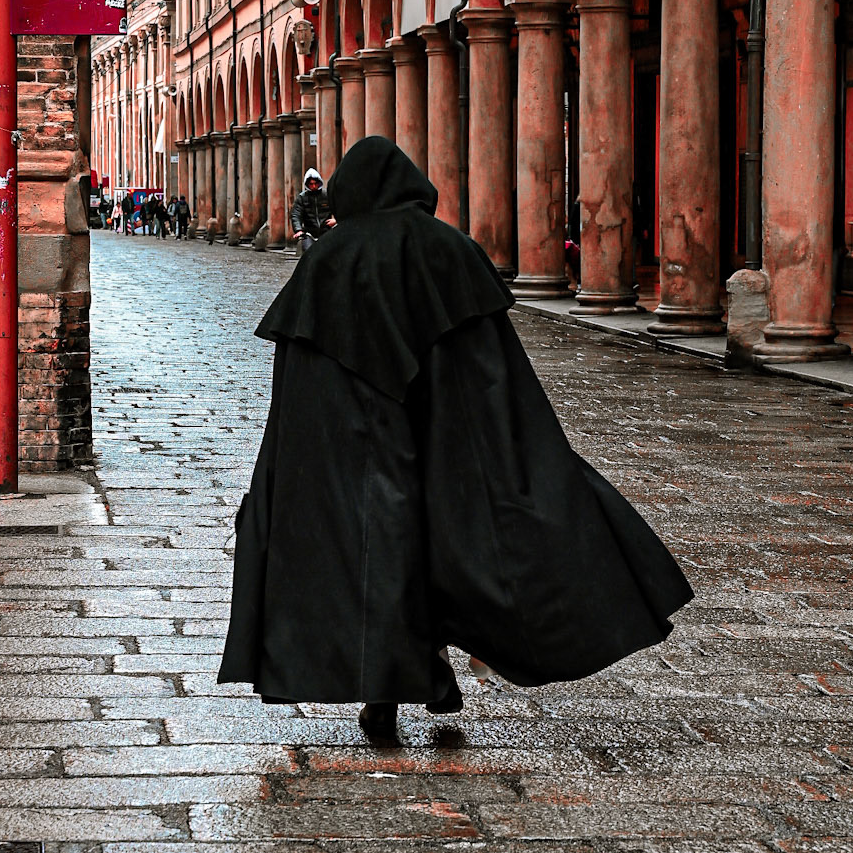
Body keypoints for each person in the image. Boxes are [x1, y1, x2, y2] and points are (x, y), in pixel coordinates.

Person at [218, 137, 692, 736]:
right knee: (450, 543)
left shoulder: (329, 261)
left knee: (379, 551)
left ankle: (388, 696)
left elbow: (300, 382)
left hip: (360, 441)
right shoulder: (450, 251)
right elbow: (492, 366)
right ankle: (434, 675)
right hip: (448, 432)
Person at [291, 168, 333, 254]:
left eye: (315, 184)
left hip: (326, 231)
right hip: (309, 233)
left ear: (319, 183)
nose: (314, 186)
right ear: (307, 184)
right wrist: (298, 230)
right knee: (309, 253)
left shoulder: (327, 195)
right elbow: (296, 215)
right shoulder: (302, 198)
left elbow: (338, 208)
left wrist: (335, 220)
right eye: (311, 184)